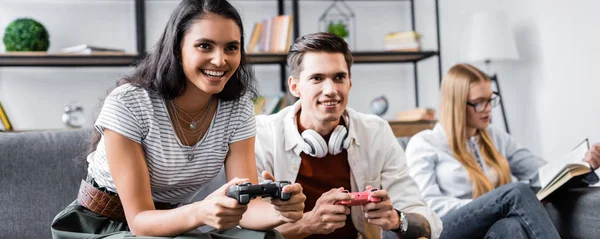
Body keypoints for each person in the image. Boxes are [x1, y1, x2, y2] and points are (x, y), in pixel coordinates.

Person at [50, 0, 306, 238]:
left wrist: (279, 212)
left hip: (173, 224)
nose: (220, 60)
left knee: (267, 236)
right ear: (177, 48)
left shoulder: (237, 109)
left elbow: (248, 210)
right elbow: (139, 220)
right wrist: (200, 211)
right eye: (205, 46)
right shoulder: (129, 103)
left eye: (231, 47)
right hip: (102, 225)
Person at [253, 32, 443, 239]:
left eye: (339, 78)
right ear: (294, 86)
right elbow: (246, 231)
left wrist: (397, 219)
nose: (331, 90)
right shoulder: (263, 135)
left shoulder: (375, 132)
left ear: (350, 83)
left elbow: (427, 222)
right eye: (317, 78)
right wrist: (309, 223)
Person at [404, 63, 600, 238]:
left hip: (490, 225)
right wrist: (489, 205)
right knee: (516, 192)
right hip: (444, 229)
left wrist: (582, 164)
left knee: (511, 227)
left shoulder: (494, 136)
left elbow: (542, 173)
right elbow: (426, 207)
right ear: (456, 104)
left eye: (491, 99)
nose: (488, 108)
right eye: (480, 102)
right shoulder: (424, 144)